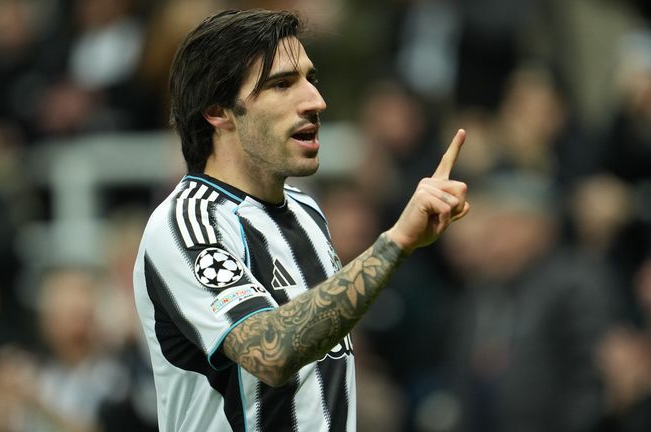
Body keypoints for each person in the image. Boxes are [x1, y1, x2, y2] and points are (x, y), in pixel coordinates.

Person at [133, 9, 469, 431]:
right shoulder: (185, 225)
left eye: (310, 79)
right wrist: (396, 241)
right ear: (218, 111)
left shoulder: (306, 212)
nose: (315, 101)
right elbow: (270, 354)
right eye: (282, 85)